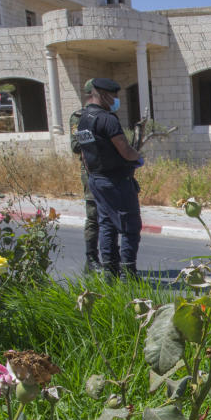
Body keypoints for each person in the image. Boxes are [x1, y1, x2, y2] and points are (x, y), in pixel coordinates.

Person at [75, 78, 143, 278]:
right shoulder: (107, 119)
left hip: (96, 179)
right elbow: (125, 150)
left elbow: (84, 153)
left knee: (107, 225)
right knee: (130, 226)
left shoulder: (84, 118)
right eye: (113, 96)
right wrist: (137, 158)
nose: (115, 100)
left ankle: (110, 273)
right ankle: (129, 274)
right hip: (116, 181)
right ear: (101, 94)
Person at [69, 80, 101, 273]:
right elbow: (75, 146)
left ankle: (111, 258)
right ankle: (91, 259)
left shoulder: (106, 115)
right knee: (93, 216)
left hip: (109, 172)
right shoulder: (79, 117)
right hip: (91, 172)